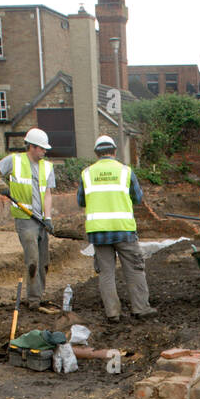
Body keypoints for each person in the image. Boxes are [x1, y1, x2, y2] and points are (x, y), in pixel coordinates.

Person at [77, 135, 155, 322]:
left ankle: (113, 313)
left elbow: (81, 200)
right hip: (123, 229)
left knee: (106, 273)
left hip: (98, 232)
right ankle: (140, 308)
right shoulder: (125, 171)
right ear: (114, 151)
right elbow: (137, 197)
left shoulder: (87, 173)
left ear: (96, 154)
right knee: (134, 269)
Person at [0, 129, 55, 305]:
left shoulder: (47, 166)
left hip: (40, 219)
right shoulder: (15, 160)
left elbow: (47, 193)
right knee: (32, 258)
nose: (44, 152)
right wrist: (1, 183)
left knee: (44, 261)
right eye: (41, 148)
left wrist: (48, 218)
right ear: (32, 147)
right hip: (25, 219)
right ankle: (33, 299)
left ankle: (39, 295)